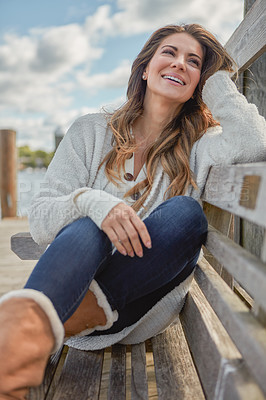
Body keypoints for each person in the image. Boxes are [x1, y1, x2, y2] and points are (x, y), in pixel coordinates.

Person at [0, 23, 266, 398]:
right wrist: (95, 203)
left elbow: (256, 141)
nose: (179, 64)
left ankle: (26, 336)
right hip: (66, 289)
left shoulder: (199, 147)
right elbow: (42, 219)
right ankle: (28, 340)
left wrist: (217, 78)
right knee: (88, 223)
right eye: (169, 53)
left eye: (193, 62)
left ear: (199, 83)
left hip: (133, 309)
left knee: (186, 214)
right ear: (145, 67)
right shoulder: (90, 131)